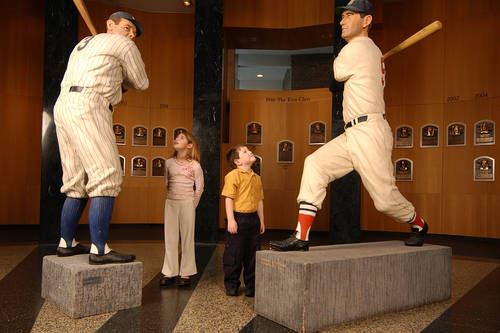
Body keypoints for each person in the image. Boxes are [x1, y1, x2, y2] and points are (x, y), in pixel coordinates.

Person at [270, 0, 428, 251]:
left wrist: (335, 78)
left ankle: (418, 223)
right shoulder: (369, 50)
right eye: (342, 16)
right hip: (353, 131)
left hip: (369, 131)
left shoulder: (358, 46)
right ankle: (301, 237)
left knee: (385, 201)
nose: (342, 21)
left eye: (349, 15)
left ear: (366, 21)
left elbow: (336, 76)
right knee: (316, 164)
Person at [54, 11, 149, 264]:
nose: (131, 35)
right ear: (110, 24)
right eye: (127, 27)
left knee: (75, 180)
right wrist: (123, 79)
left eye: (134, 33)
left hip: (63, 104)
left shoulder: (82, 44)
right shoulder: (122, 44)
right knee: (107, 174)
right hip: (90, 104)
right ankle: (99, 249)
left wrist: (117, 76)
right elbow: (141, 82)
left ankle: (66, 242)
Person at [159, 129, 204, 287]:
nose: (176, 139)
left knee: (187, 238)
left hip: (187, 204)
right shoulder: (168, 163)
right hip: (171, 203)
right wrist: (173, 197)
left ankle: (185, 272)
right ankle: (169, 271)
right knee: (170, 238)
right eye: (176, 137)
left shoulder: (195, 165)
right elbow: (167, 182)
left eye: (181, 138)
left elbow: (199, 188)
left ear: (190, 145)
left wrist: (192, 205)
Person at [222, 145, 265, 297]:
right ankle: (232, 284)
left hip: (253, 220)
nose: (250, 152)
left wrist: (261, 221)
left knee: (252, 255)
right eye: (245, 151)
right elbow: (229, 198)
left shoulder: (257, 177)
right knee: (234, 254)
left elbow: (259, 200)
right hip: (238, 218)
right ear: (238, 161)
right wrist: (231, 220)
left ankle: (251, 285)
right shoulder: (233, 176)